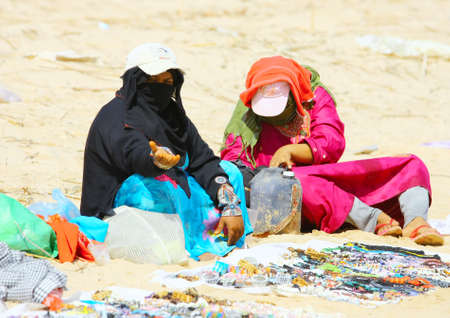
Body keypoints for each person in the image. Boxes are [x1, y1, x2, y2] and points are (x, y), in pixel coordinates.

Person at [221, 55, 443, 246]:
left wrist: (291, 151)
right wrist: (267, 176)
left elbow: (332, 142)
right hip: (282, 193)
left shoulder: (315, 96)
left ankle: (415, 220)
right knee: (294, 183)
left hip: (329, 180)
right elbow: (233, 160)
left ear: (295, 96)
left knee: (411, 164)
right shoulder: (248, 108)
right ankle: (374, 220)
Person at [80, 43, 252, 260]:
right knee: (162, 185)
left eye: (167, 81)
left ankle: (227, 239)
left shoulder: (173, 115)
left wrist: (230, 204)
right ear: (134, 81)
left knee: (230, 171)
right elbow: (133, 153)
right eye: (151, 80)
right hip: (116, 206)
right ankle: (189, 248)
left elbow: (203, 159)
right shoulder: (116, 116)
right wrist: (155, 160)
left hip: (169, 179)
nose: (159, 87)